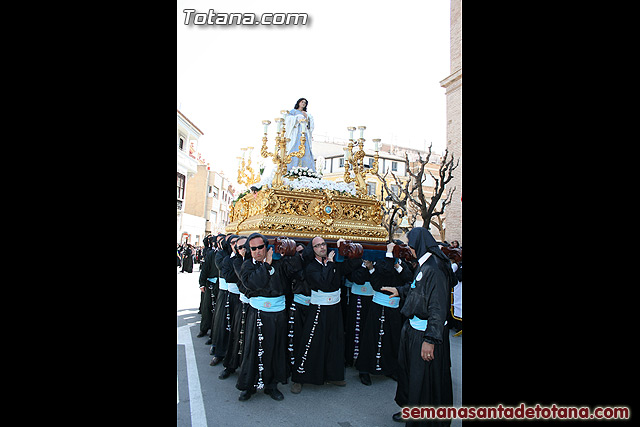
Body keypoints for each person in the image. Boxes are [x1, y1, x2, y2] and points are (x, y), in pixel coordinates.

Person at [381, 227, 456, 426]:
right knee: (410, 378)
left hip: (425, 335)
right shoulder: (425, 265)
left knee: (423, 381)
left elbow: (437, 308)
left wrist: (430, 340)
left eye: (410, 244)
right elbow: (419, 291)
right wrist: (399, 290)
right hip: (414, 330)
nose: (409, 249)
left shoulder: (434, 268)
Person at [236, 233, 304, 402]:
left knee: (275, 349)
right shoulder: (247, 266)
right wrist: (266, 264)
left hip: (278, 312)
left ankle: (271, 385)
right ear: (249, 250)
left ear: (266, 247)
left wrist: (291, 252)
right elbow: (254, 284)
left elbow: (297, 273)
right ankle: (248, 386)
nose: (258, 251)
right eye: (254, 249)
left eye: (261, 247)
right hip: (258, 312)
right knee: (253, 350)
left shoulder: (280, 263)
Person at [290, 237, 363, 393]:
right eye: (317, 246)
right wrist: (330, 263)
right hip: (318, 308)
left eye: (323, 244)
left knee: (334, 342)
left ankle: (333, 375)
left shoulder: (334, 262)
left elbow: (353, 265)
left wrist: (346, 248)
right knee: (310, 342)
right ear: (313, 249)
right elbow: (323, 282)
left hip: (335, 308)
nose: (322, 247)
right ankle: (299, 378)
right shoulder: (311, 267)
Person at [285, 98, 315, 171]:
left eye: (305, 103)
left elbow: (310, 126)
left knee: (305, 150)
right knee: (294, 149)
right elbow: (287, 120)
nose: (303, 104)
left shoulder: (306, 114)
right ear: (299, 103)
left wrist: (307, 118)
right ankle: (291, 168)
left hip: (304, 134)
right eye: (302, 102)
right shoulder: (293, 111)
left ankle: (306, 169)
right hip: (295, 133)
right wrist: (296, 118)